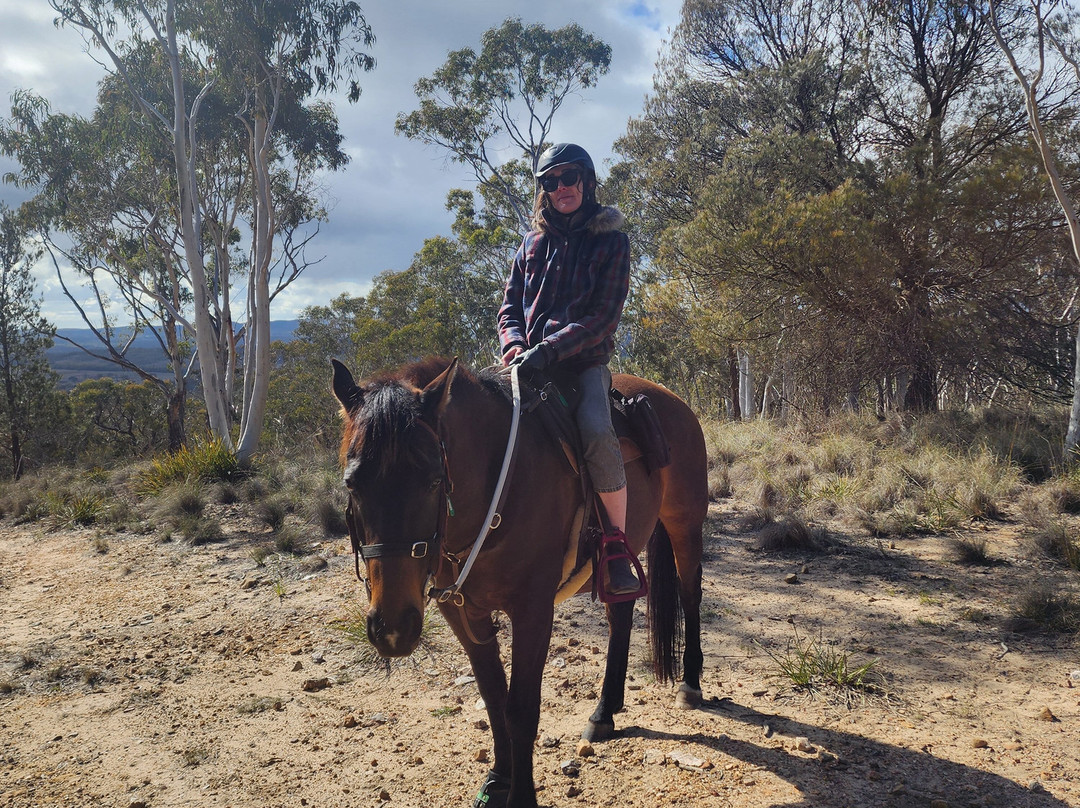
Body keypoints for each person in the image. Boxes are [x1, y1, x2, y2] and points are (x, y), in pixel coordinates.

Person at [498, 142, 641, 598]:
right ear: (543, 190)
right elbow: (508, 310)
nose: (561, 188)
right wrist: (517, 346)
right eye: (551, 181)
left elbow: (603, 318)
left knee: (598, 433)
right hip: (525, 364)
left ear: (587, 181)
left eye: (570, 178)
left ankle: (616, 544)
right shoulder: (530, 245)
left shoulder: (612, 243)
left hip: (582, 367)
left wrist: (548, 351)